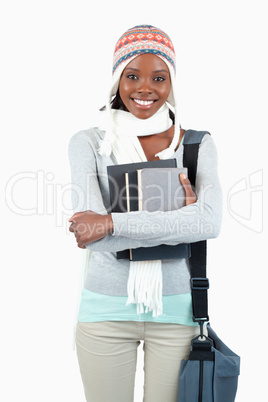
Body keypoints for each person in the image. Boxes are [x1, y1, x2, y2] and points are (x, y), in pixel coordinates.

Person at [68, 25, 222, 402]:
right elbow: (92, 235)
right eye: (132, 75)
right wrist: (179, 221)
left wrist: (112, 220)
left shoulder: (195, 144)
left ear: (172, 82)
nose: (145, 88)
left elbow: (209, 223)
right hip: (104, 312)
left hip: (177, 313)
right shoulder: (90, 143)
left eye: (159, 77)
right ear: (117, 78)